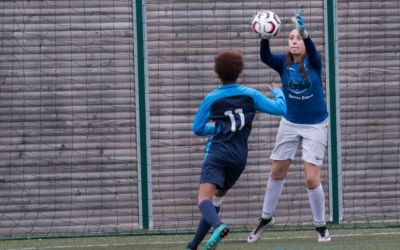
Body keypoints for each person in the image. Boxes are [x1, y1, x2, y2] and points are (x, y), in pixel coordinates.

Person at [186, 50, 286, 250]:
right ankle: (193, 246)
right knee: (216, 200)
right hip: (239, 158)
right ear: (239, 72)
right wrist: (277, 91)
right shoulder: (251, 95)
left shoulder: (212, 99)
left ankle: (219, 226)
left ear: (217, 73)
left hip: (217, 153)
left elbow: (197, 129)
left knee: (203, 200)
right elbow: (281, 109)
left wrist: (215, 128)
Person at [247, 12, 331, 243]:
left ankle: (320, 227)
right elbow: (264, 56)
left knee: (311, 180)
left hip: (315, 125)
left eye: (298, 38)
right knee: (276, 171)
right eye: (291, 38)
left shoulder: (314, 61)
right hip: (290, 122)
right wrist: (264, 35)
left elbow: (313, 51)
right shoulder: (282, 63)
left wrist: (306, 34)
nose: (294, 41)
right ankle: (265, 219)